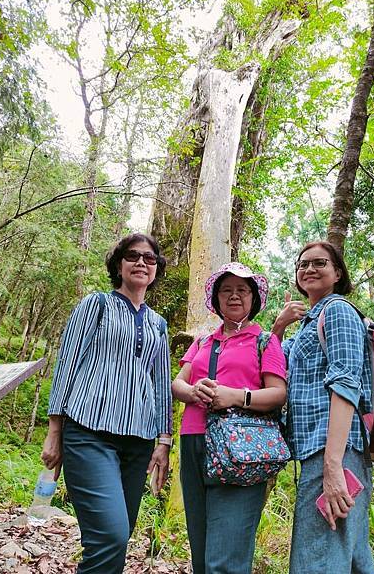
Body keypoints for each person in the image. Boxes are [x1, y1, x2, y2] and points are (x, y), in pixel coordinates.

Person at [41, 233, 172, 574]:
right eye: (133, 255)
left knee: (118, 536)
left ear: (156, 268)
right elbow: (68, 363)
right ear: (119, 264)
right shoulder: (96, 305)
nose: (141, 262)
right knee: (110, 535)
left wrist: (164, 440)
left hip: (139, 442)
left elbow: (160, 383)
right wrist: (55, 431)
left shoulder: (159, 324)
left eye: (149, 257)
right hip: (88, 432)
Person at [172, 262, 287, 574]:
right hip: (194, 441)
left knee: (225, 560)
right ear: (217, 299)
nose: (234, 296)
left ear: (253, 299)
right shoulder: (202, 341)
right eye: (227, 290)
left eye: (242, 290)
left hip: (240, 449)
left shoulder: (264, 341)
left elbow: (278, 393)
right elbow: (177, 384)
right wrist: (193, 391)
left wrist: (237, 396)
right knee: (201, 552)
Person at [272, 241, 374, 574]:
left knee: (315, 561)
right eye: (303, 265)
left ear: (337, 273)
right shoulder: (306, 326)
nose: (309, 269)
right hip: (318, 454)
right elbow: (271, 366)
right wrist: (278, 326)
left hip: (333, 453)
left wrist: (332, 466)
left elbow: (346, 384)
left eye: (320, 263)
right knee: (352, 559)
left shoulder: (339, 311)